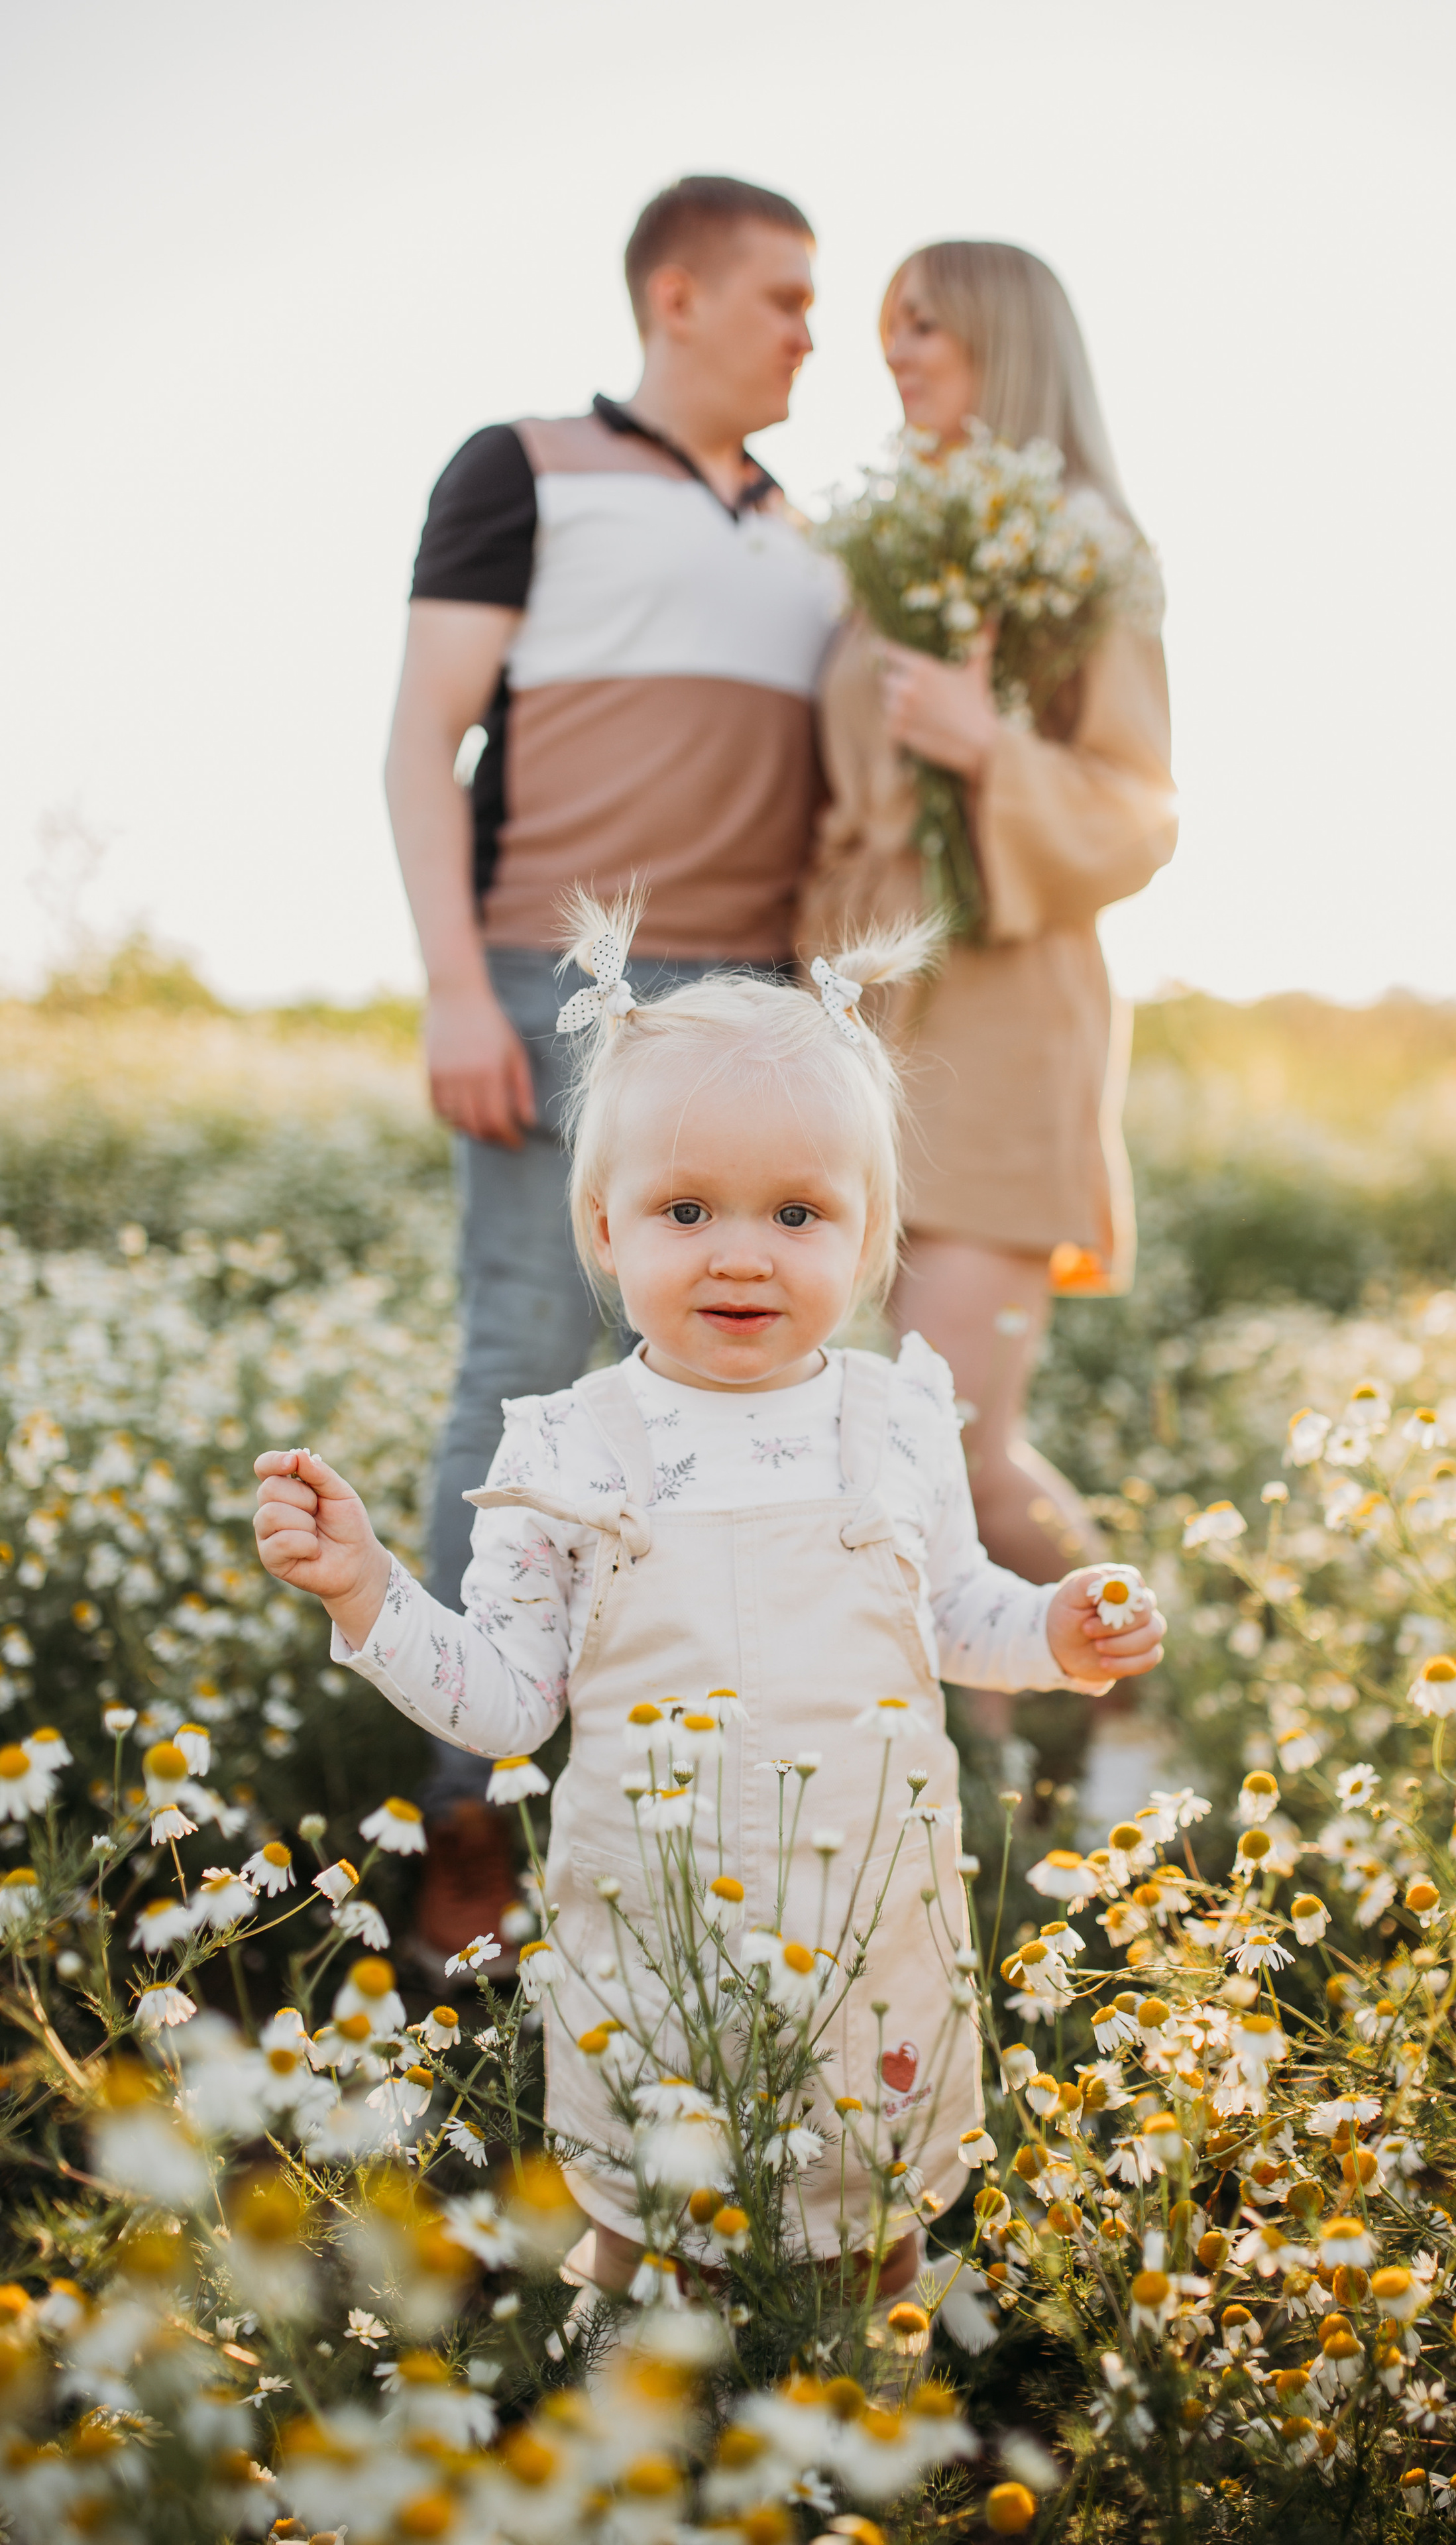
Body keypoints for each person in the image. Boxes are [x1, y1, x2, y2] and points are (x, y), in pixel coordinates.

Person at [251, 897, 1167, 2293]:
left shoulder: (896, 1423)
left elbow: (951, 1613)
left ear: (867, 1241)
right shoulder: (567, 1450)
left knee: (871, 2206)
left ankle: (866, 2398)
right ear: (606, 1229)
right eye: (688, 1210)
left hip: (868, 1915)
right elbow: (505, 1704)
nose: (741, 1252)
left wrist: (1050, 1631)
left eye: (798, 1214)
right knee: (651, 2214)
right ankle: (654, 2407)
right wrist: (371, 1589)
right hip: (653, 1917)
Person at [384, 175, 841, 1955]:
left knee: (752, 1384)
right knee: (525, 1362)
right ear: (680, 291)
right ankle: (463, 1819)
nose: (815, 330)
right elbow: (421, 743)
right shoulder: (521, 464)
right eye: (788, 298)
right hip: (546, 975)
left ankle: (718, 1804)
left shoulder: (811, 529)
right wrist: (452, 989)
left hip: (761, 1001)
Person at [800, 240, 1179, 1609]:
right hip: (858, 1003)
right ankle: (998, 1748)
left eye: (926, 327)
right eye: (887, 327)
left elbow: (1139, 813)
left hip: (1007, 1017)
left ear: (1002, 345)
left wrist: (988, 751)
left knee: (954, 1444)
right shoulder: (883, 545)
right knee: (870, 1448)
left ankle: (1140, 1699)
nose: (894, 352)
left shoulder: (1084, 549)